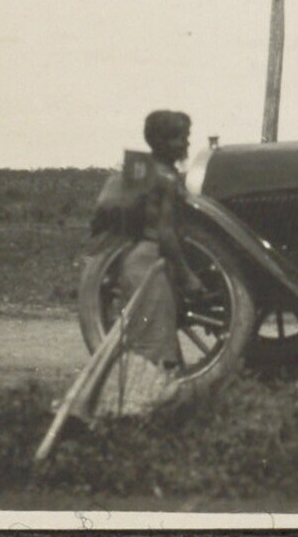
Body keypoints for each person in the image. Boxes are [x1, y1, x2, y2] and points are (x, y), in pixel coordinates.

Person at [73, 110, 205, 420]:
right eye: (179, 137)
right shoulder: (167, 179)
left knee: (144, 340)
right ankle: (135, 413)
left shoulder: (139, 170)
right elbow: (165, 233)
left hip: (131, 262)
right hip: (152, 265)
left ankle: (130, 410)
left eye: (186, 136)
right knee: (154, 346)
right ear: (160, 141)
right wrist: (187, 277)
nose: (186, 143)